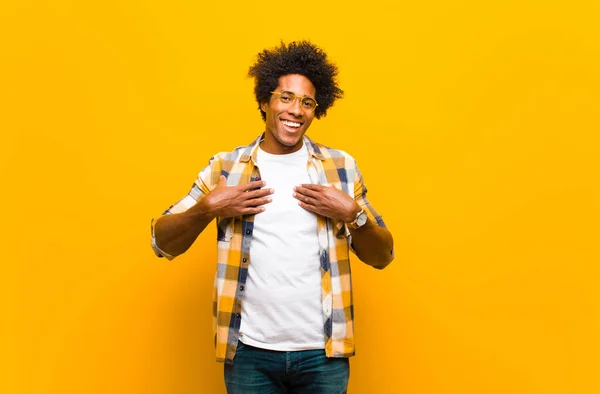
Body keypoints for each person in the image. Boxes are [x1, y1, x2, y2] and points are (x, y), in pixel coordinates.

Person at [150, 41, 394, 394]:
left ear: (316, 110)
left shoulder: (341, 167)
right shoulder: (226, 168)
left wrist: (353, 214)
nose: (296, 110)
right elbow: (160, 241)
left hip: (322, 354)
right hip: (249, 353)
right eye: (285, 98)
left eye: (307, 103)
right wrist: (207, 209)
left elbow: (383, 256)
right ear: (264, 102)